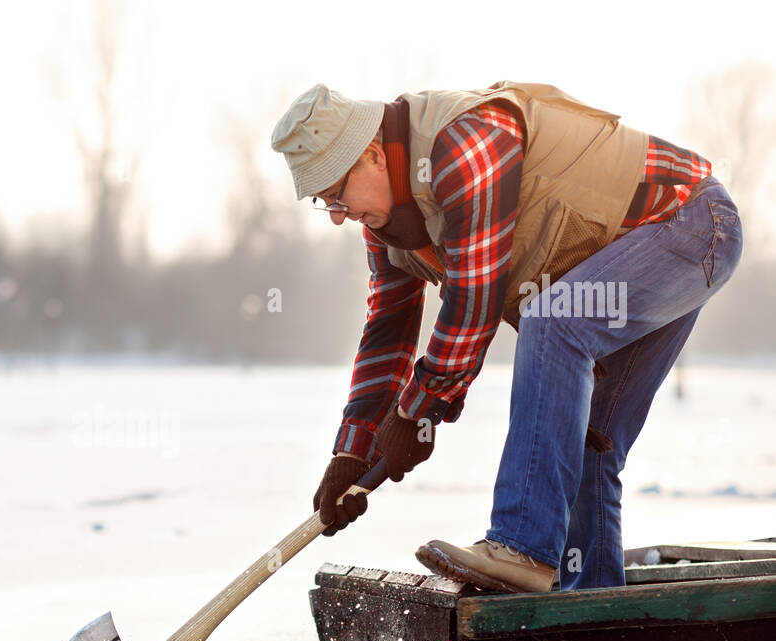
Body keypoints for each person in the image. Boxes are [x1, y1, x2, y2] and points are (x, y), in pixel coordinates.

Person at [271, 81, 743, 593]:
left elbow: (476, 299)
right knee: (584, 444)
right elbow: (387, 332)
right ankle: (594, 609)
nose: (338, 214)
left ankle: (521, 547)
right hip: (630, 262)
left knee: (553, 322)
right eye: (324, 203)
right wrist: (353, 453)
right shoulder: (387, 228)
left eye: (337, 193)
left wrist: (415, 413)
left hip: (689, 224)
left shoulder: (465, 142)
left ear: (372, 156)